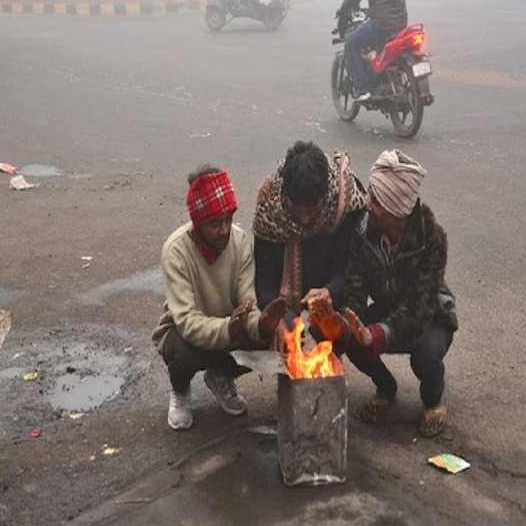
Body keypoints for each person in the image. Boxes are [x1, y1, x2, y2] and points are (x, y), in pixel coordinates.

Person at [322, 150, 459, 438]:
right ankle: (386, 387)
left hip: (430, 315)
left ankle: (433, 400)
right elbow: (355, 288)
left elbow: (418, 308)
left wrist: (378, 333)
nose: (368, 206)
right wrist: (346, 324)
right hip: (387, 308)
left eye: (376, 201)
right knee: (354, 341)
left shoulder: (432, 238)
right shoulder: (363, 232)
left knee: (424, 356)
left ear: (397, 211)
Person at [152, 165, 285, 431]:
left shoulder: (239, 242)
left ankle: (221, 377)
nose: (225, 230)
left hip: (229, 324)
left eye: (228, 219)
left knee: (272, 340)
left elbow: (247, 302)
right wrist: (229, 327)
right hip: (184, 333)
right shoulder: (176, 251)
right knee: (181, 355)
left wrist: (262, 325)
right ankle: (180, 392)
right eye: (215, 224)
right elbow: (187, 321)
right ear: (198, 224)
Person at [253, 141, 367, 318]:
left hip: (332, 296)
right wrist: (278, 319)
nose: (305, 220)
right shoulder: (269, 209)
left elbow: (350, 267)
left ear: (325, 194)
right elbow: (264, 280)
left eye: (312, 210)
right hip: (284, 302)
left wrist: (330, 291)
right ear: (286, 196)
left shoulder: (344, 204)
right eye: (298, 211)